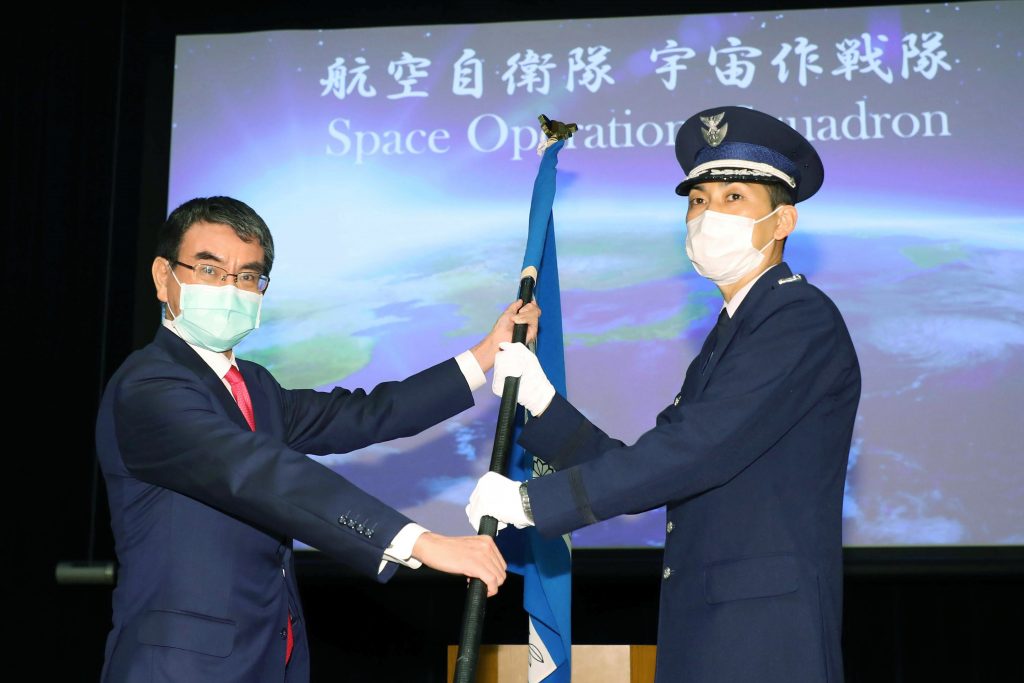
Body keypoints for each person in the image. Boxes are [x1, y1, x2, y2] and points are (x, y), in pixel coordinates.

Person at [467, 106, 862, 683]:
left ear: (783, 222)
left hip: (764, 640)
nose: (708, 217)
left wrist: (533, 503)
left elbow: (691, 452)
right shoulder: (736, 328)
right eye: (698, 201)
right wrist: (544, 406)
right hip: (713, 630)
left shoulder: (795, 317)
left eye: (734, 199)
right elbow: (662, 456)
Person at [95, 196, 538, 682]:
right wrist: (420, 541)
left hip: (269, 658)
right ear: (164, 277)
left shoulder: (255, 386)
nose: (230, 289)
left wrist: (487, 353)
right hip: (180, 668)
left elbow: (366, 414)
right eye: (209, 269)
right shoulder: (149, 387)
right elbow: (259, 472)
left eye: (247, 276)